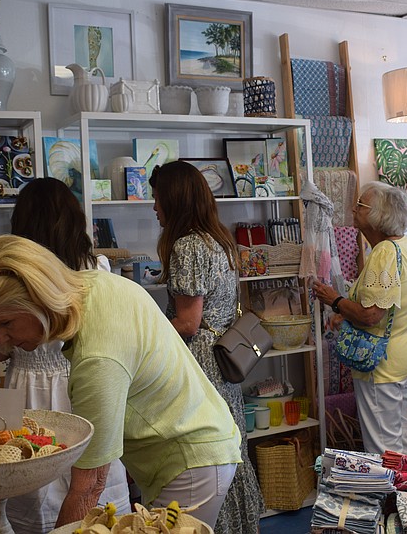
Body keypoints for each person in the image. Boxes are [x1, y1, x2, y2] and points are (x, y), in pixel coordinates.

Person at [0, 234, 242, 529]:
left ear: (39, 297)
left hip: (191, 463)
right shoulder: (90, 283)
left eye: (5, 323)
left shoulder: (98, 356)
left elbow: (89, 486)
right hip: (191, 448)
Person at [0, 177, 129, 533]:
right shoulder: (95, 267)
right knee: (91, 478)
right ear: (74, 220)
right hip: (85, 381)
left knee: (25, 475)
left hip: (23, 388)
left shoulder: (2, 274)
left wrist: (12, 343)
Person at [149, 161, 264, 534]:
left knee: (204, 457)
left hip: (199, 363)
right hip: (222, 358)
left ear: (174, 200)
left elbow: (187, 322)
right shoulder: (218, 240)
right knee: (227, 451)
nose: (154, 207)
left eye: (157, 198)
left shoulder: (186, 246)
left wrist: (145, 335)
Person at [311, 181, 407, 456]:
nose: (353, 208)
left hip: (381, 364)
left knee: (383, 449)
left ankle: (392, 498)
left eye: (361, 205)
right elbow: (389, 310)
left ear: (379, 215)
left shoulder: (385, 252)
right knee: (400, 437)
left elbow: (372, 315)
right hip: (402, 356)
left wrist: (335, 301)